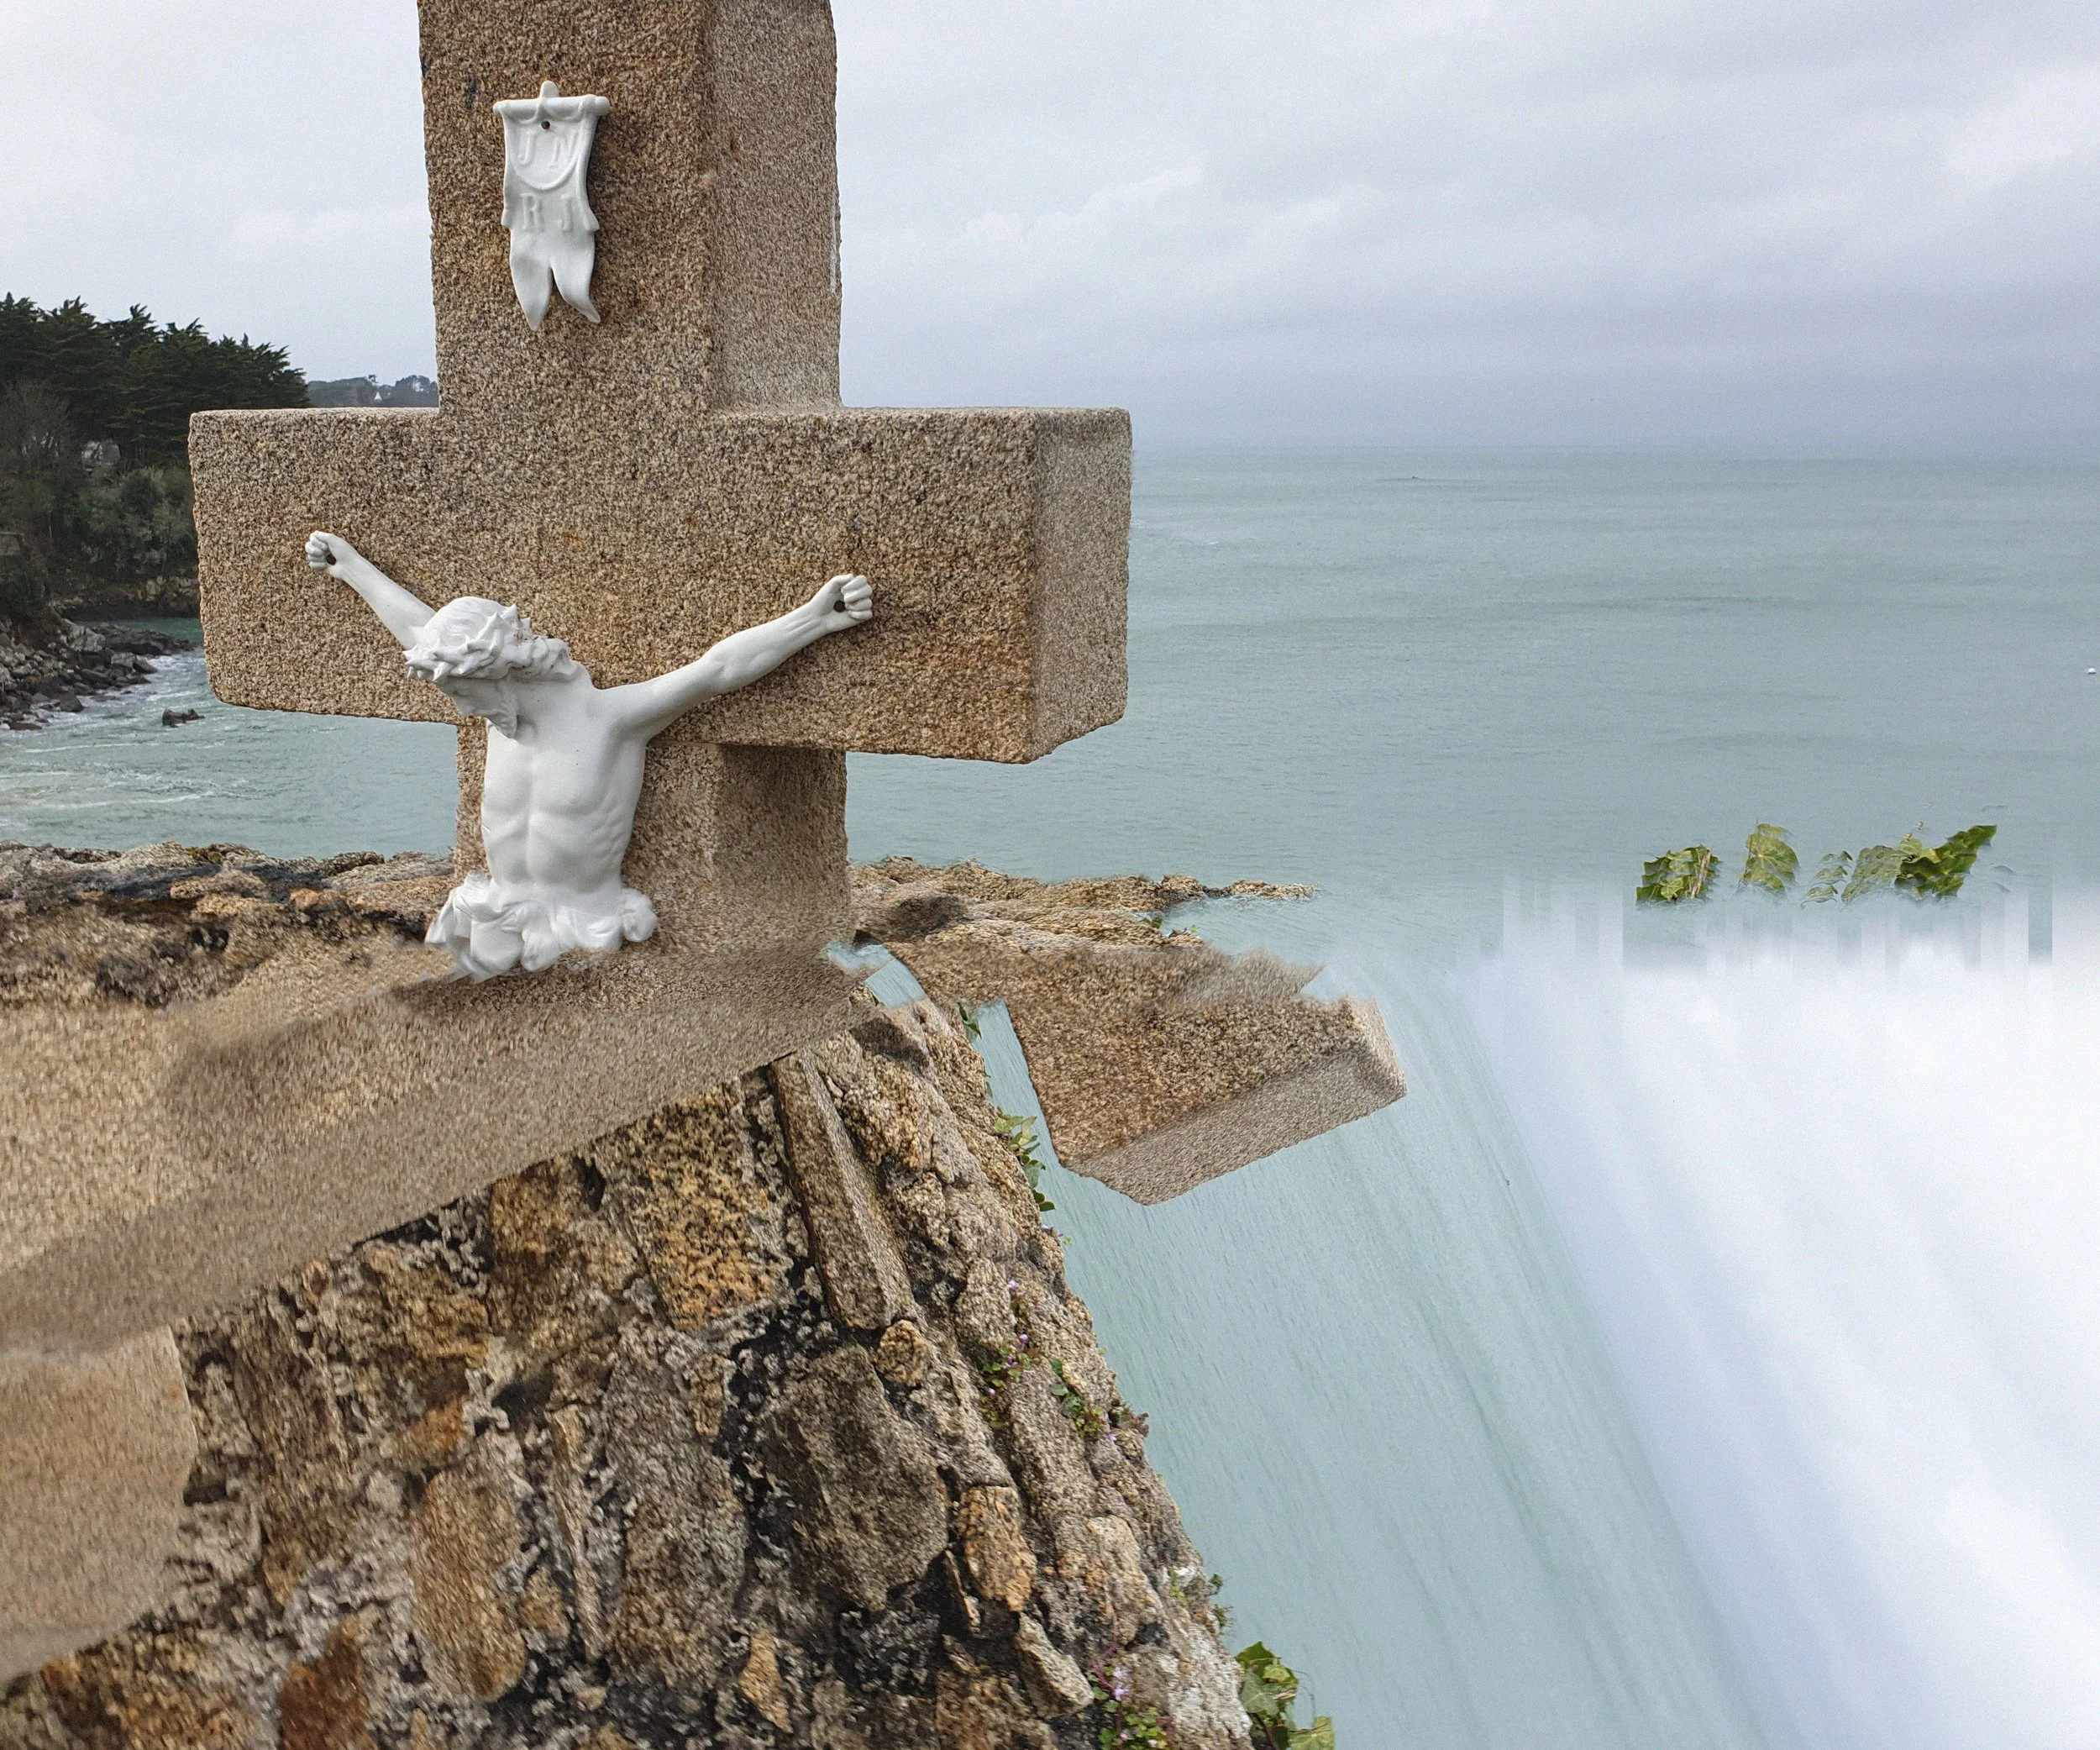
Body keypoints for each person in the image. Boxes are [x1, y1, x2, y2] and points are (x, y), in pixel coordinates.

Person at [304, 530, 873, 980]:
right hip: (488, 915)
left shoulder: (610, 721)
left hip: (584, 928)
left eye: (461, 692)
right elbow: (420, 629)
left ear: (499, 673)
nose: (461, 706)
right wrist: (351, 565)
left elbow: (716, 670)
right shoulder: (499, 715)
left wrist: (816, 618)